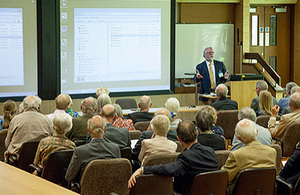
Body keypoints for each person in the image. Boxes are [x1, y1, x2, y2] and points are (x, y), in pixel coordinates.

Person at [128, 120, 218, 194]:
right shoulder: (211, 152)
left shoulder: (186, 157)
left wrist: (143, 169)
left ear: (178, 139)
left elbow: (167, 169)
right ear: (197, 133)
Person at [65, 115, 120, 183]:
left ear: (89, 130)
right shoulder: (115, 149)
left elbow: (69, 177)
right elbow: (118, 174)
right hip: (111, 189)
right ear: (105, 129)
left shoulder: (80, 151)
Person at [222, 119, 276, 184]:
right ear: (256, 132)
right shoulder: (272, 152)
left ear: (239, 138)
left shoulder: (236, 155)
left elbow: (224, 178)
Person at [5, 95, 53, 164]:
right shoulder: (47, 120)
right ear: (39, 106)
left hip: (17, 162)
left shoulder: (15, 120)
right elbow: (50, 140)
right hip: (40, 162)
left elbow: (7, 144)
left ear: (24, 106)